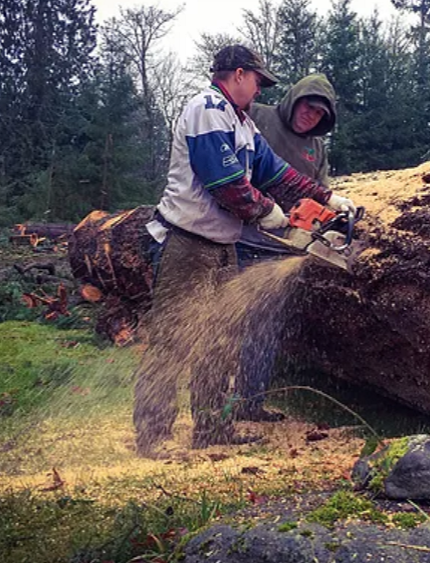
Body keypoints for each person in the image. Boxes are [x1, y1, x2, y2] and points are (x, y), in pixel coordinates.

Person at [133, 45, 355, 455]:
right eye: (256, 81)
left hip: (223, 245)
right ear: (238, 74)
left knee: (220, 338)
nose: (258, 90)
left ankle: (213, 429)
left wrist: (327, 198)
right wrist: (268, 213)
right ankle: (152, 434)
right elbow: (225, 181)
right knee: (173, 338)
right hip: (188, 243)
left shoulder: (242, 124)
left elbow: (277, 171)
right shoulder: (207, 109)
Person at [234, 74, 338, 421]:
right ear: (294, 99)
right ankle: (213, 403)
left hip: (284, 246)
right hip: (242, 231)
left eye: (319, 114)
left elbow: (319, 188)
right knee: (226, 318)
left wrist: (329, 210)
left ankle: (250, 402)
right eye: (308, 107)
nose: (311, 116)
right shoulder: (259, 116)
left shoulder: (317, 147)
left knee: (265, 325)